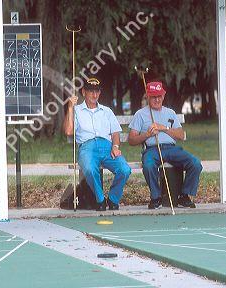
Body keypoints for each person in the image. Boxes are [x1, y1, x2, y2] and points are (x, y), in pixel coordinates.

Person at [128, 81, 202, 209]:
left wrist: (164, 128)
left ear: (163, 95)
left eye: (159, 96)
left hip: (172, 149)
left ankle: (183, 196)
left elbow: (180, 135)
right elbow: (131, 140)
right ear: (147, 96)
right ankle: (156, 198)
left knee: (195, 164)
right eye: (153, 97)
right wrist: (147, 135)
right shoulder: (140, 114)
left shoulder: (170, 113)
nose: (157, 99)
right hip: (152, 149)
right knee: (149, 165)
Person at [63, 78, 131, 211]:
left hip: (107, 146)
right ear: (83, 92)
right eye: (90, 91)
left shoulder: (107, 111)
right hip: (87, 147)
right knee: (89, 169)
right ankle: (100, 200)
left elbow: (115, 133)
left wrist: (115, 146)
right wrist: (70, 107)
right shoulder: (76, 110)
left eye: (97, 91)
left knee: (124, 169)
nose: (94, 95)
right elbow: (68, 131)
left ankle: (113, 199)